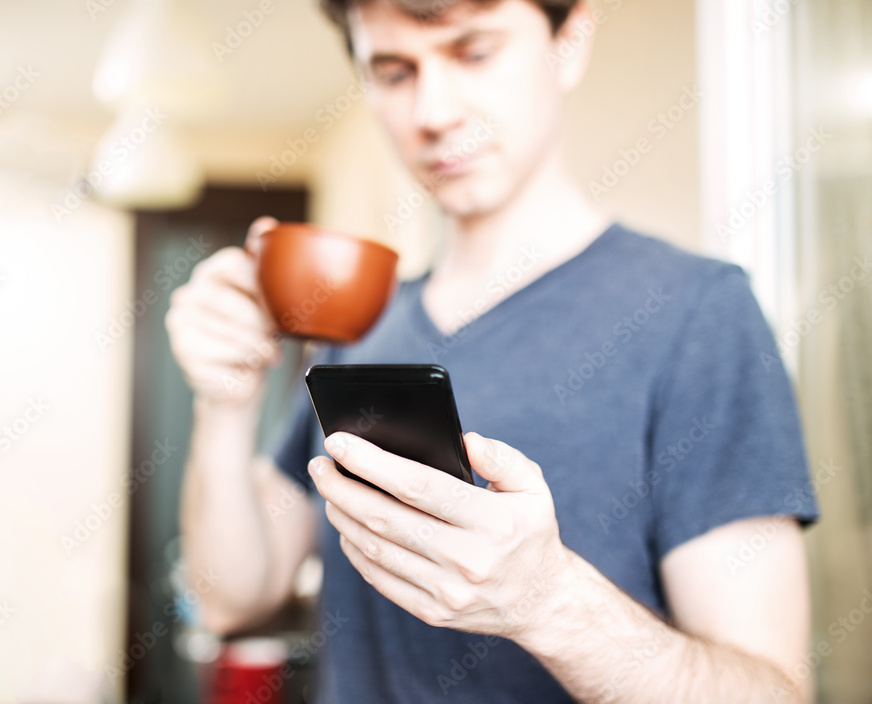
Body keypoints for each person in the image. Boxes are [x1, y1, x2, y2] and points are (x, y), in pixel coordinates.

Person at [165, 0, 819, 701]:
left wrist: (549, 603)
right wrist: (223, 405)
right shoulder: (360, 328)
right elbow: (232, 598)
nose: (433, 111)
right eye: (393, 71)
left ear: (569, 42)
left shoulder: (699, 313)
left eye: (474, 52)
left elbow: (772, 691)